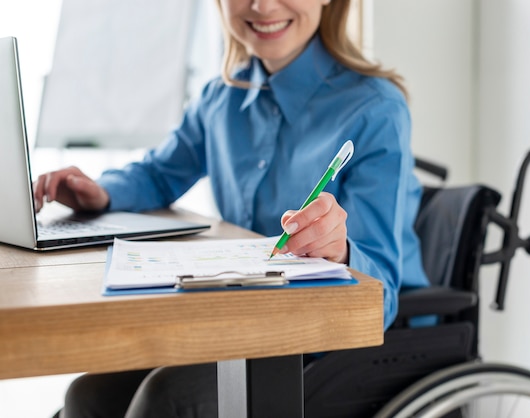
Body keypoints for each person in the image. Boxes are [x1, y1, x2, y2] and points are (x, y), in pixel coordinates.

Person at [37, 0, 429, 416]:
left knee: (171, 398)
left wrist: (339, 250)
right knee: (87, 395)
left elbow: (381, 293)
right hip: (243, 317)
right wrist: (102, 193)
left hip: (340, 337)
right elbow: (159, 173)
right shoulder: (220, 97)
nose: (261, 5)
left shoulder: (376, 108)